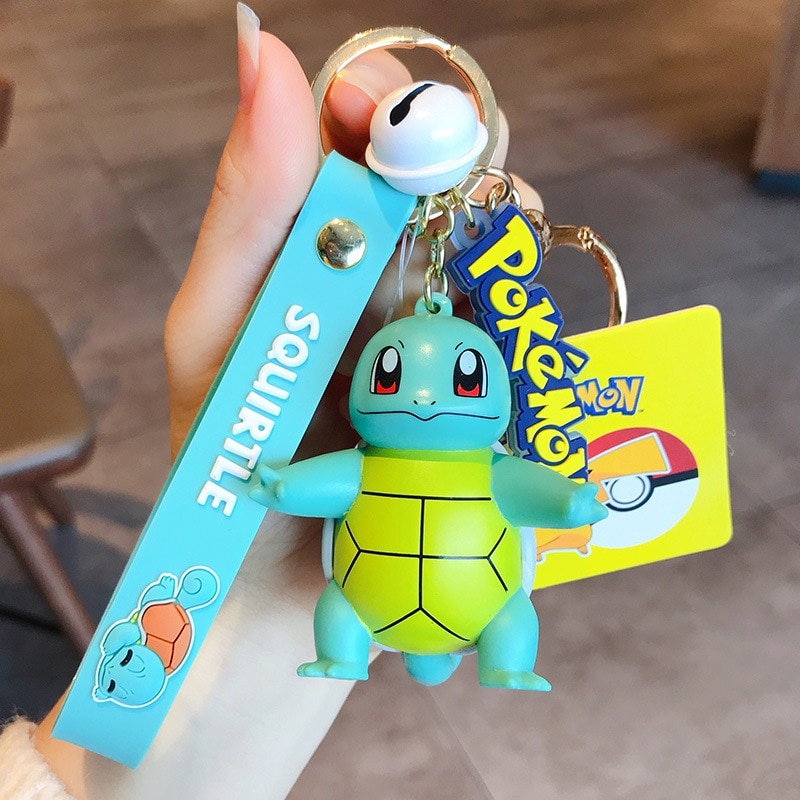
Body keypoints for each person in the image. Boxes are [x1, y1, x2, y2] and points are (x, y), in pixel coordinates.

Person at [0, 6, 535, 798]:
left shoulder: (411, 454)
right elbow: (344, 481)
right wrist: (274, 497)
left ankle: (492, 656)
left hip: (408, 582)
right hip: (397, 585)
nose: (422, 397)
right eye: (391, 376)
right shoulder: (379, 457)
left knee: (480, 615)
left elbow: (470, 484)